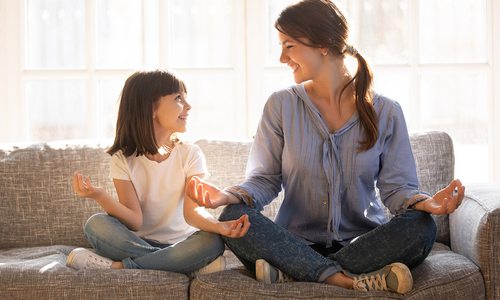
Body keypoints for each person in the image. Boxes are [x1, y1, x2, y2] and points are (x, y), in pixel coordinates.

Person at [186, 0, 465, 295]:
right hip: (293, 242)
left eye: (289, 45)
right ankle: (346, 278)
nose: (282, 57)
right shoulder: (281, 105)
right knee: (232, 215)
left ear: (322, 44)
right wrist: (225, 196)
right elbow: (264, 179)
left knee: (422, 227)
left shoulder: (386, 111)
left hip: (364, 243)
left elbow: (397, 190)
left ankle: (295, 272)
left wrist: (427, 204)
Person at [66, 70, 250, 275]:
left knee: (212, 241)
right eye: (178, 98)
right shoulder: (122, 159)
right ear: (151, 108)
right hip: (139, 241)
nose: (188, 106)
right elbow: (135, 221)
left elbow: (192, 213)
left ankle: (120, 266)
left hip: (185, 242)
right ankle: (184, 264)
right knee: (96, 224)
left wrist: (218, 227)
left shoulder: (190, 154)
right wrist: (99, 195)